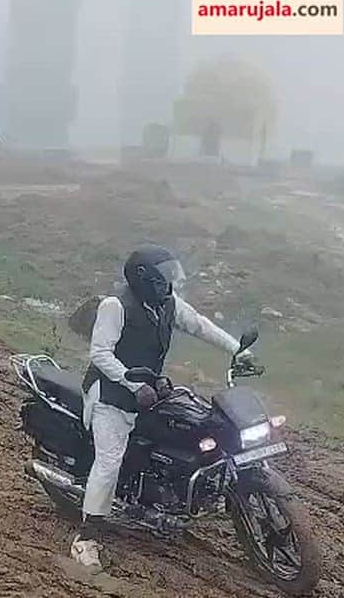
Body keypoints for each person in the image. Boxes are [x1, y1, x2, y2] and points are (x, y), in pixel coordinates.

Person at [71, 245, 247, 572]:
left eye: (170, 276)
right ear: (144, 279)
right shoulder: (116, 306)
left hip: (148, 389)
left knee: (182, 427)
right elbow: (100, 353)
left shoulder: (166, 304)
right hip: (111, 395)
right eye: (162, 278)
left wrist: (236, 350)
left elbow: (199, 325)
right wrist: (132, 384)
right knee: (109, 462)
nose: (168, 283)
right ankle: (86, 539)